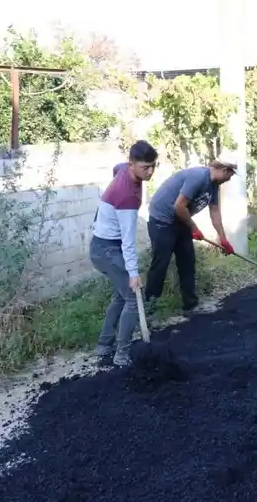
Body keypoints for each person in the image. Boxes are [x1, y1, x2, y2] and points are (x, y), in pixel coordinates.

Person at [90, 140, 159, 366]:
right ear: (132, 164)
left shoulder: (123, 169)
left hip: (103, 246)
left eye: (153, 166)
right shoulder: (126, 196)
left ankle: (104, 344)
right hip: (107, 250)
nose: (149, 172)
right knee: (131, 296)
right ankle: (122, 354)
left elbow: (116, 167)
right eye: (145, 167)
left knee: (121, 296)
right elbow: (129, 241)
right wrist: (133, 273)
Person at [145, 157, 237, 314]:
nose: (229, 179)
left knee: (187, 262)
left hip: (181, 220)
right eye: (230, 175)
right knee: (160, 264)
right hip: (162, 221)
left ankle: (191, 305)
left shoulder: (214, 186)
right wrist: (194, 228)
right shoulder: (198, 177)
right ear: (224, 170)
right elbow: (178, 205)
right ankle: (150, 308)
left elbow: (215, 213)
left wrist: (223, 239)